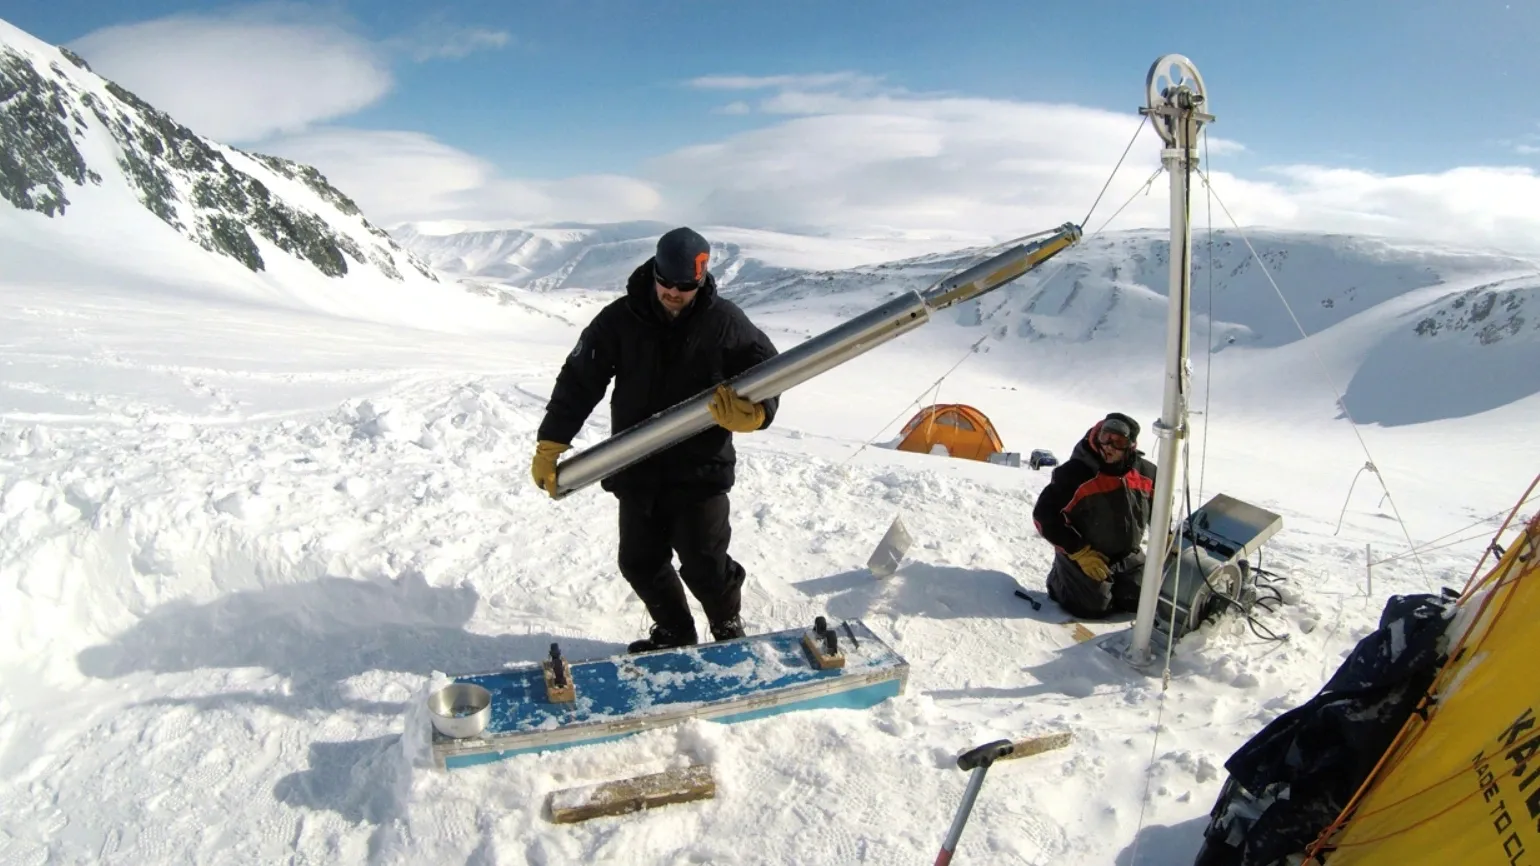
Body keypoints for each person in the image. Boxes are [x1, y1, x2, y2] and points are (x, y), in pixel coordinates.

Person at [529, 226, 780, 652]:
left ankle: (727, 626)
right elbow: (579, 380)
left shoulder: (725, 322)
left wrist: (757, 413)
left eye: (686, 286)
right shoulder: (620, 319)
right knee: (639, 562)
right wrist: (552, 441)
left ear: (700, 281)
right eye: (667, 282)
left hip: (700, 467)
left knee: (705, 565)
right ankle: (675, 633)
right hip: (637, 465)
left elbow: (773, 371)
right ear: (654, 272)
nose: (674, 293)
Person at [1031, 412, 1158, 619]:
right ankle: (1060, 579)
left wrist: (1167, 535)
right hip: (1086, 553)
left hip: (1127, 554)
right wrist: (1078, 552)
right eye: (1105, 437)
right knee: (1091, 607)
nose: (1109, 445)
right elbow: (1044, 515)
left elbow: (1161, 506)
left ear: (1130, 446)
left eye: (1118, 441)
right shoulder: (1076, 474)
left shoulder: (1147, 473)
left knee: (1143, 600)